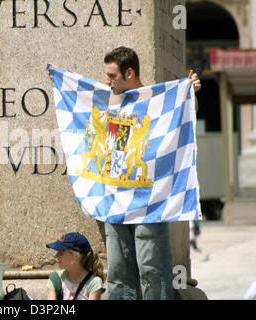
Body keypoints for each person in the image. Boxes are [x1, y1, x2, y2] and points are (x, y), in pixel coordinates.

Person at [102, 46, 201, 300]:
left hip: (150, 200)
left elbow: (182, 119)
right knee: (118, 270)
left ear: (130, 73)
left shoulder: (155, 100)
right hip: (116, 199)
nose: (107, 81)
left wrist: (190, 95)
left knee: (152, 269)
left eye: (112, 76)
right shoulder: (111, 100)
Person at [46, 232, 105, 300]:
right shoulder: (56, 279)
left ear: (75, 256)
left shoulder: (94, 282)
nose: (56, 256)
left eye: (61, 253)